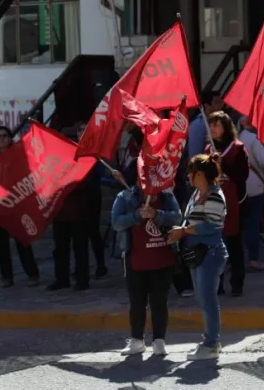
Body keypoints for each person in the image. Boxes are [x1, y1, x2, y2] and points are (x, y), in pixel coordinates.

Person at [167, 154, 228, 361]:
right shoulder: (197, 194)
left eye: (190, 172)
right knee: (202, 298)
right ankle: (210, 340)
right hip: (197, 255)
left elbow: (212, 226)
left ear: (199, 174)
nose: (188, 176)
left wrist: (183, 231)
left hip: (210, 254)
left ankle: (212, 343)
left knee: (208, 299)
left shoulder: (214, 196)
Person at [111, 183, 182, 356]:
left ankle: (159, 341)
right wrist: (136, 216)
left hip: (163, 260)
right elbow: (116, 222)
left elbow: (178, 218)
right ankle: (137, 340)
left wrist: (157, 214)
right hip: (136, 260)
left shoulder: (167, 196)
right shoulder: (125, 197)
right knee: (137, 302)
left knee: (159, 302)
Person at [0, 125, 41, 288]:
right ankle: (6, 277)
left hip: (16, 203)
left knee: (22, 240)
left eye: (5, 136)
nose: (1, 139)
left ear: (10, 138)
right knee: (1, 244)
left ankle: (32, 274)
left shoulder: (18, 155)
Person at [206, 111, 247, 297]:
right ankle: (218, 284)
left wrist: (224, 165)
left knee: (234, 245)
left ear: (226, 127)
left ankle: (237, 283)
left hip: (234, 203)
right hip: (214, 203)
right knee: (215, 246)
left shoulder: (237, 148)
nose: (212, 128)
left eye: (216, 125)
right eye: (211, 125)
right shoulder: (208, 149)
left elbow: (242, 175)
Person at [237, 118, 264, 271]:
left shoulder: (234, 140)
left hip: (238, 187)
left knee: (239, 225)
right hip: (254, 185)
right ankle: (254, 258)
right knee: (253, 223)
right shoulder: (253, 139)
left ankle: (237, 260)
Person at [74, 121, 109, 281]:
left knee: (93, 231)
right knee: (78, 235)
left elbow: (100, 171)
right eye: (79, 130)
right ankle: (81, 268)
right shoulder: (73, 149)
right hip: (77, 196)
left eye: (84, 130)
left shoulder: (95, 151)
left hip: (92, 195)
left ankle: (101, 265)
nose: (81, 133)